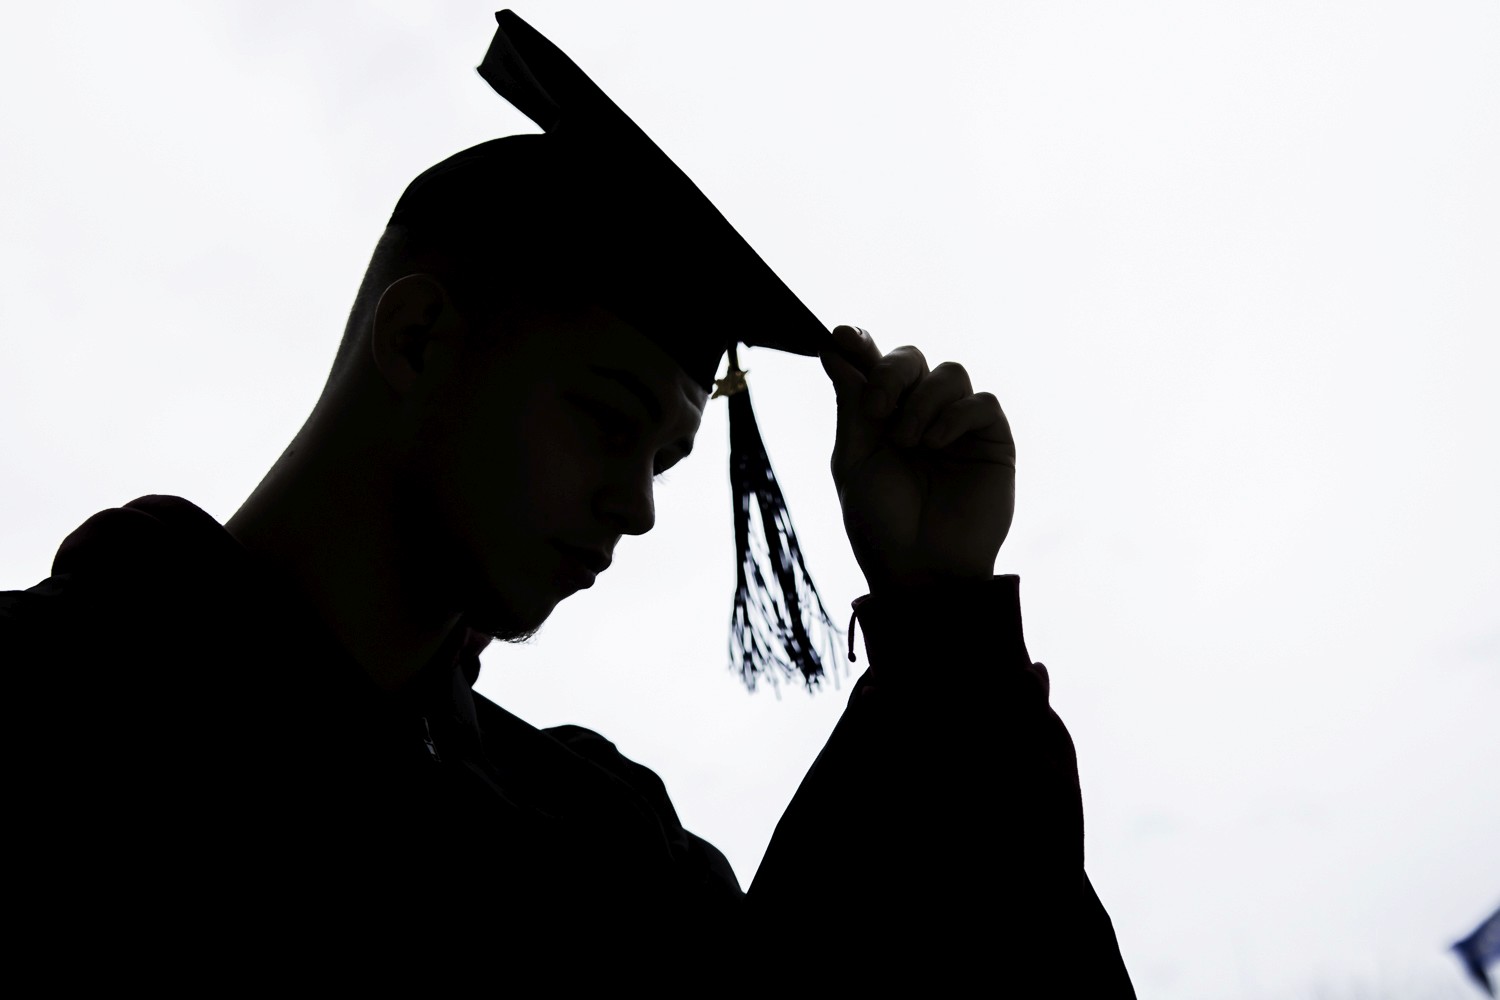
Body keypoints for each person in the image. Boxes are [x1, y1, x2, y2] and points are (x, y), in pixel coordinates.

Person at [1, 11, 1134, 991]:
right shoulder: (49, 704)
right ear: (420, 335)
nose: (638, 508)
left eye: (668, 461)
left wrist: (941, 632)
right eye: (605, 416)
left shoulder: (601, 861)